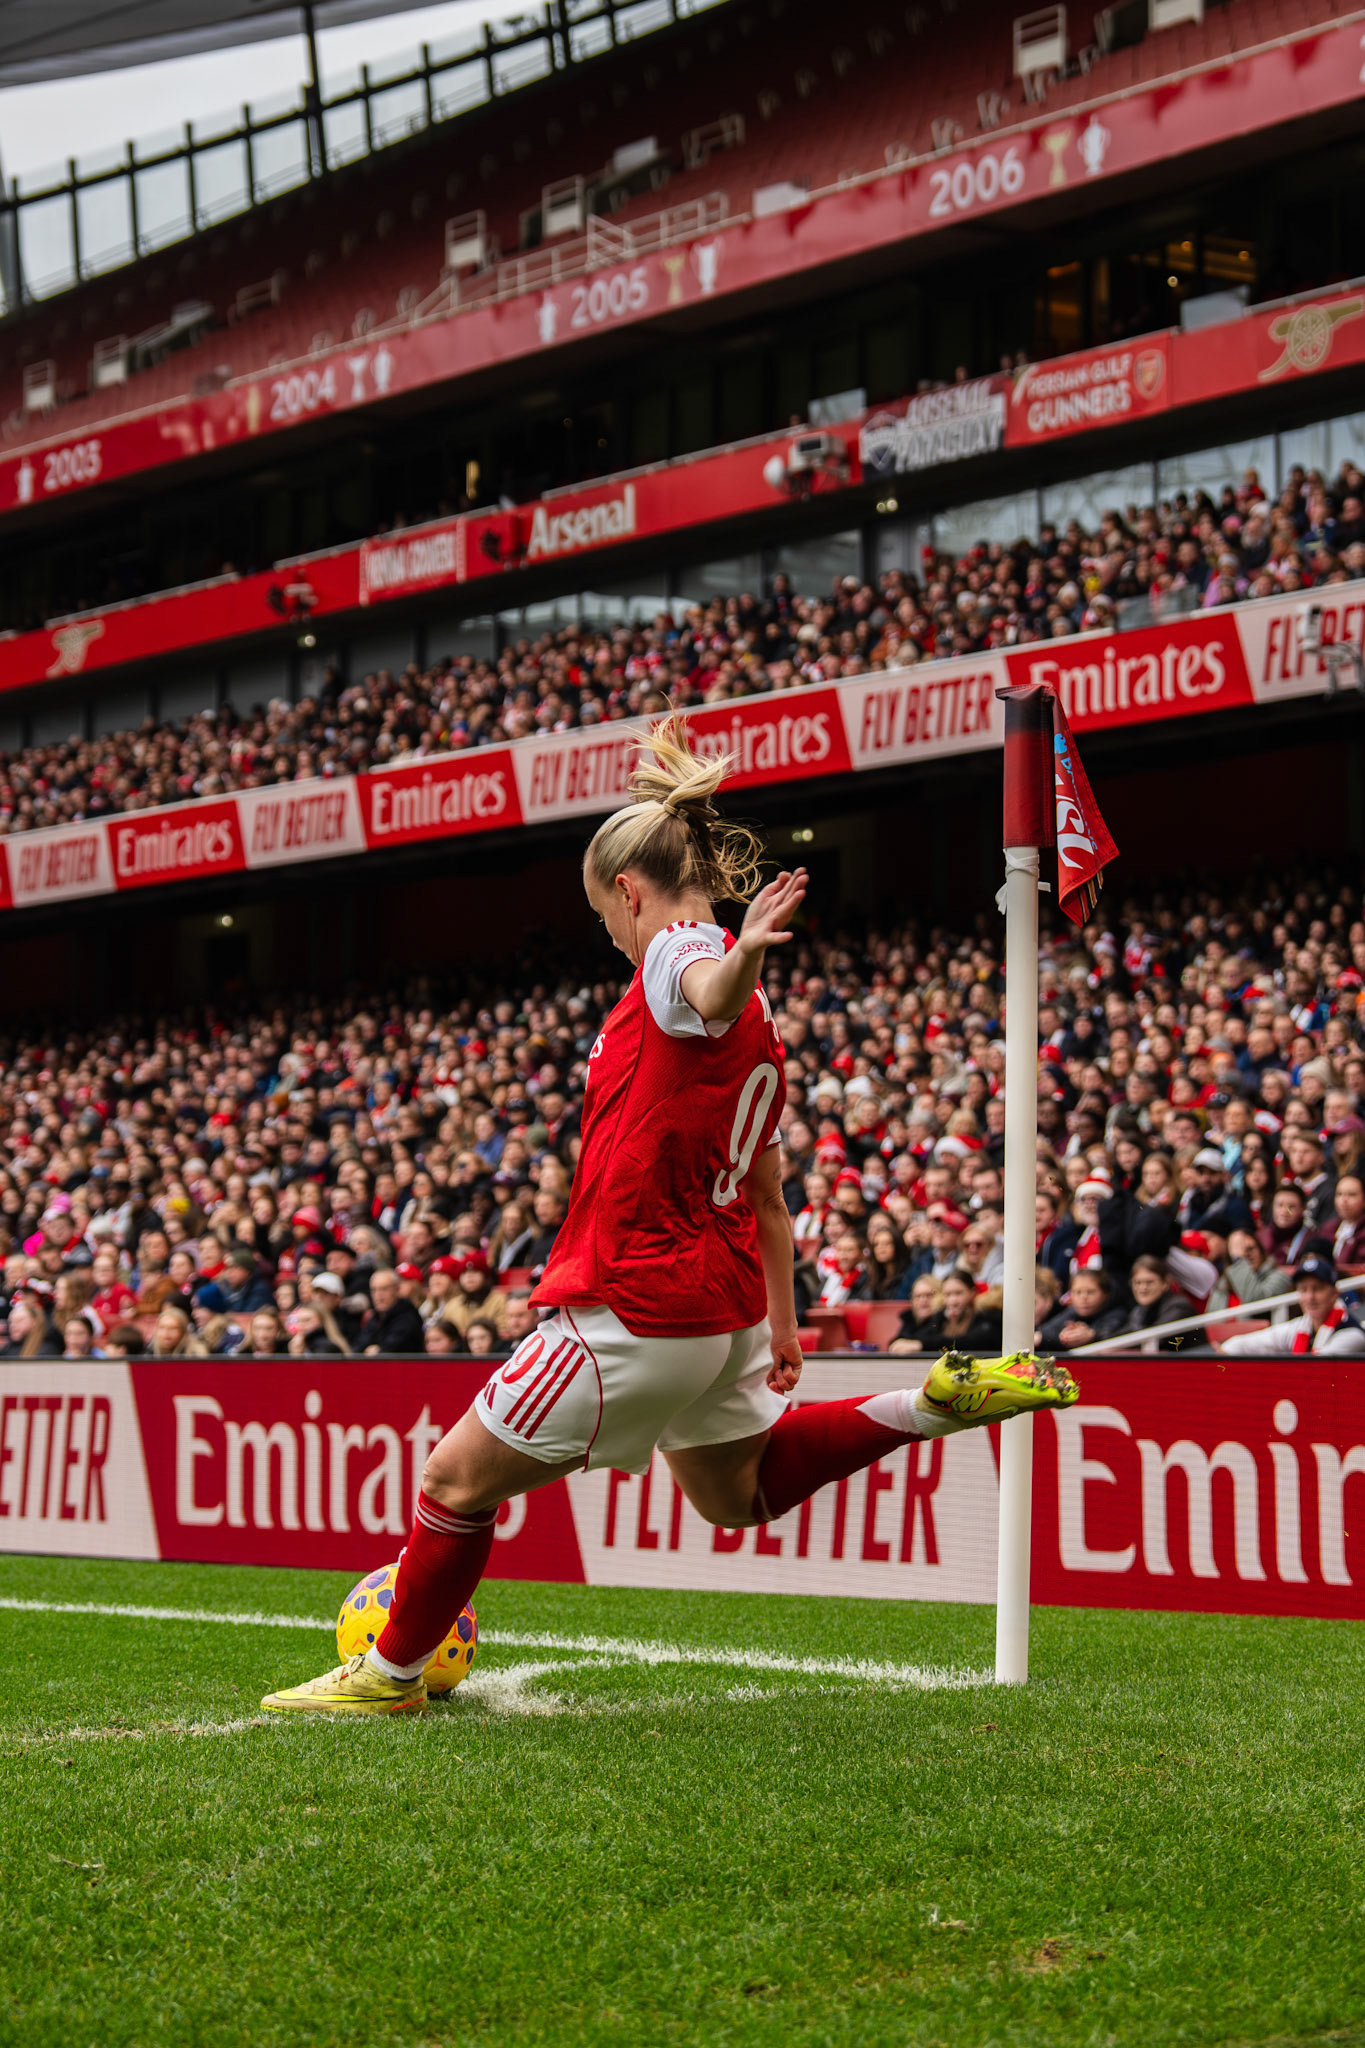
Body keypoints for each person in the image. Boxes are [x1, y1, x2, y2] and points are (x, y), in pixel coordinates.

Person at [262, 718, 1077, 1714]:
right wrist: (781, 1322)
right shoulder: (759, 1028)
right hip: (724, 1305)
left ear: (630, 892)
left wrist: (741, 957)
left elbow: (704, 986)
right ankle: (928, 1403)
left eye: (605, 914)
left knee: (452, 1480)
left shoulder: (679, 953)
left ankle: (387, 1676)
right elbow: (771, 1191)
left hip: (632, 1304)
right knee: (735, 1492)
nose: (610, 932)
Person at [1220, 1251, 1365, 1356]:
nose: (1310, 1297)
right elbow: (1246, 1343)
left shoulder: (1352, 1335)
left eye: (1317, 1289)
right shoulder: (1301, 1326)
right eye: (1303, 1290)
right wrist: (1226, 1350)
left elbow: (1316, 1370)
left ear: (1334, 1294)